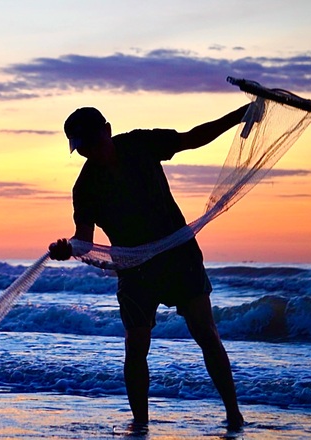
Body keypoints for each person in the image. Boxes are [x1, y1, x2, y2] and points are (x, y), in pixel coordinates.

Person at [48, 104, 250, 432]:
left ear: (108, 130)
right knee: (137, 345)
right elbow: (83, 238)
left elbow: (192, 139)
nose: (89, 152)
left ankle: (234, 414)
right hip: (135, 269)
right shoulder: (84, 187)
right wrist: (66, 249)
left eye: (93, 142)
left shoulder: (141, 143)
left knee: (206, 334)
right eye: (82, 147)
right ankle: (140, 425)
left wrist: (237, 116)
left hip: (179, 256)